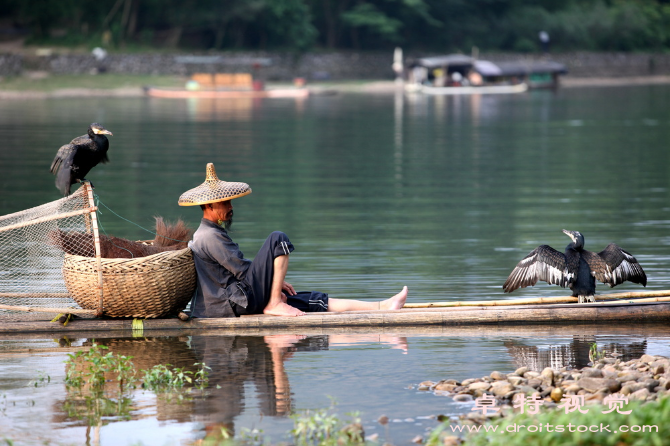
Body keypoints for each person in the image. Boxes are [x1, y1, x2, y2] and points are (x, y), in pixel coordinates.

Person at [179, 163, 408, 318]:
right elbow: (241, 271)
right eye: (225, 204)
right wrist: (272, 287)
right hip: (231, 304)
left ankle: (383, 306)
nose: (230, 208)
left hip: (233, 302)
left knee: (306, 299)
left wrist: (276, 286)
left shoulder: (209, 233)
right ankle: (274, 304)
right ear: (209, 206)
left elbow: (239, 270)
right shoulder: (209, 236)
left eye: (230, 202)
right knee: (278, 239)